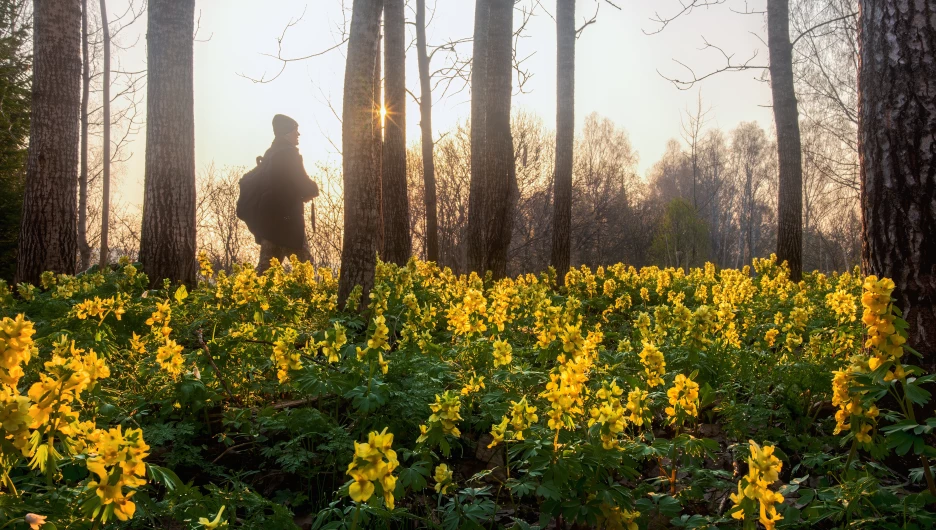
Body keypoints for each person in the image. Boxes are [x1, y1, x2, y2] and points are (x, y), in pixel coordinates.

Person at [252, 114, 319, 273]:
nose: (298, 134)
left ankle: (244, 296)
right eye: (296, 131)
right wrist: (313, 189)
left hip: (269, 224)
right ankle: (307, 296)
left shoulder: (269, 155)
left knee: (265, 271)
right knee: (305, 268)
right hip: (288, 224)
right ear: (287, 133)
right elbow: (302, 183)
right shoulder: (289, 154)